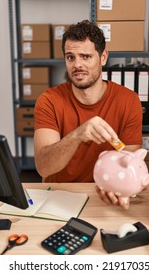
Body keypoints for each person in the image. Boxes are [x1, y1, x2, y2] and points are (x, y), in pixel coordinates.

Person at [33, 20, 143, 209]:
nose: (77, 65)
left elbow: (129, 163)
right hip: (59, 196)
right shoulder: (49, 100)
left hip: (104, 194)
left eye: (85, 56)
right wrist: (77, 135)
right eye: (70, 57)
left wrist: (114, 188)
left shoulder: (128, 101)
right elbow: (43, 167)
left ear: (103, 57)